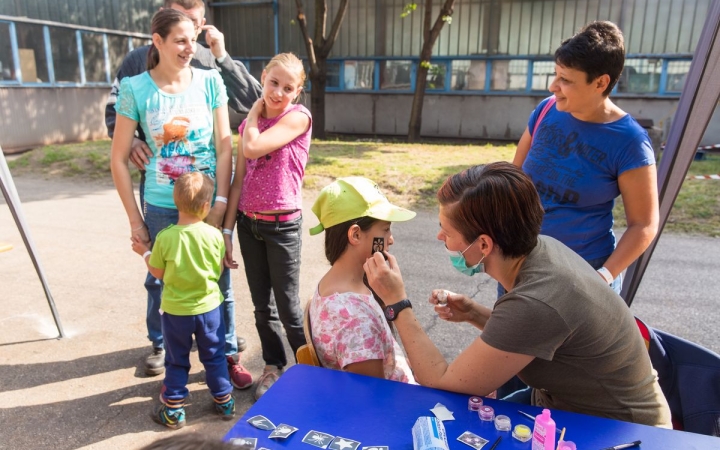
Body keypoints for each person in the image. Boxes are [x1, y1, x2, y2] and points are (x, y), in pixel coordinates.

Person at [364, 162, 672, 427]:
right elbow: (532, 333)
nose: (439, 236)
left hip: (619, 430)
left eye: (447, 231)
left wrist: (397, 302)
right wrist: (474, 313)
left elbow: (443, 382)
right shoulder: (542, 249)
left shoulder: (537, 299)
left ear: (483, 245)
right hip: (565, 407)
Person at [105, 0, 261, 376]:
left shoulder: (210, 81)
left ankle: (226, 356)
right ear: (156, 41)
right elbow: (117, 159)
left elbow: (225, 146)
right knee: (163, 280)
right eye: (180, 41)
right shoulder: (134, 88)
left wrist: (221, 201)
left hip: (209, 203)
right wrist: (135, 221)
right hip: (160, 206)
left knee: (218, 278)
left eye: (193, 39)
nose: (190, 48)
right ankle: (167, 352)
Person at [512, 21, 659, 295]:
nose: (552, 86)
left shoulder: (630, 142)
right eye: (555, 74)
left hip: (582, 273)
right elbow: (513, 178)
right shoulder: (546, 111)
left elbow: (644, 224)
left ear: (600, 82)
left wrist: (602, 277)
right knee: (510, 338)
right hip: (522, 260)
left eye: (565, 79)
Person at [222, 52, 311, 401]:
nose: (278, 92)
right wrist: (227, 232)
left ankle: (310, 369)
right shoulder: (248, 128)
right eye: (273, 83)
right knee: (263, 306)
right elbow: (238, 181)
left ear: (297, 91)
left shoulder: (298, 117)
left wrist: (254, 113)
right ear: (263, 77)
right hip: (249, 224)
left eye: (288, 88)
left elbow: (256, 148)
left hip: (282, 226)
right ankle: (273, 366)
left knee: (288, 306)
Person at [131, 172, 235, 429]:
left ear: (176, 203)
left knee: (176, 359)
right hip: (210, 309)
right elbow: (218, 271)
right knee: (214, 355)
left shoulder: (166, 237)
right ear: (205, 206)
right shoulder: (214, 235)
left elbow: (157, 272)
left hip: (176, 312)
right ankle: (224, 400)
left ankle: (174, 410)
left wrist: (144, 251)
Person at [307, 177, 416, 382]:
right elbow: (372, 396)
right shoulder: (355, 320)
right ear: (355, 235)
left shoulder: (334, 283)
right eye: (385, 229)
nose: (391, 239)